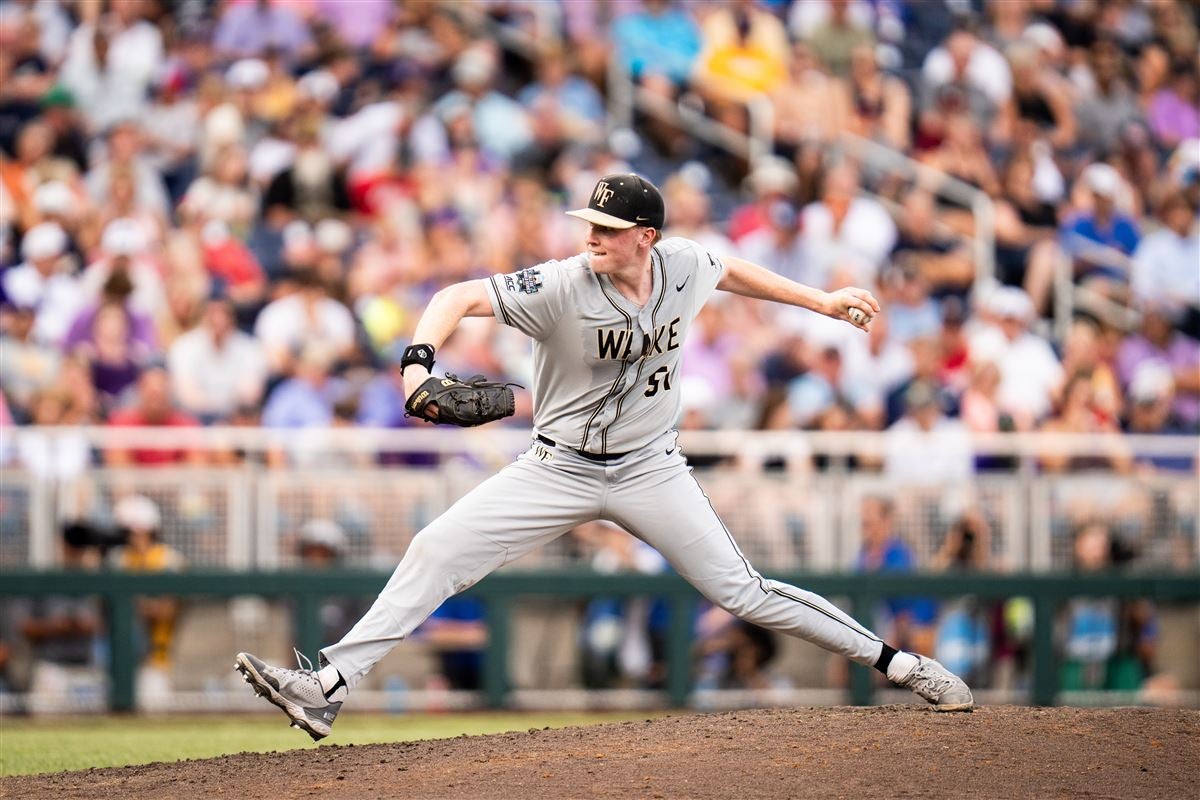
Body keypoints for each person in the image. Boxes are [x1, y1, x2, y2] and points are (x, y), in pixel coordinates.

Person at [235, 173, 973, 741]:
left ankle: (901, 665)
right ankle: (327, 686)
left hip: (651, 467)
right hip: (557, 466)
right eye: (589, 222)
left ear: (645, 238)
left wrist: (818, 302)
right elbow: (457, 295)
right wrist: (419, 367)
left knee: (743, 591)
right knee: (437, 548)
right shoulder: (561, 284)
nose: (592, 234)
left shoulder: (682, 265)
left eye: (609, 228)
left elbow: (731, 269)